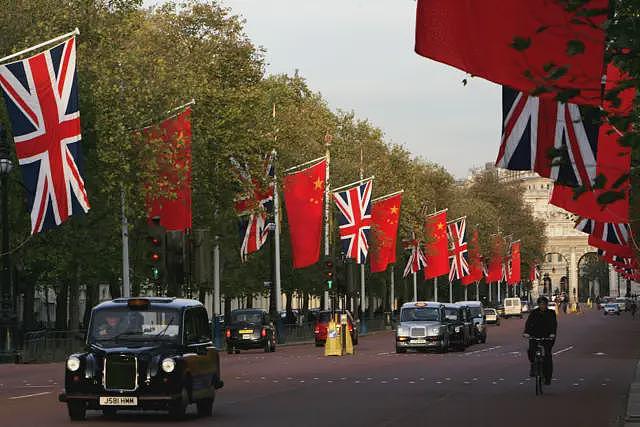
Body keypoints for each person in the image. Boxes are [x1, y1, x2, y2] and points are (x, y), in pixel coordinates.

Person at [524, 296, 557, 385]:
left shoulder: (551, 313)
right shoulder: (534, 313)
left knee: (547, 356)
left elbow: (553, 324)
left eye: (544, 304)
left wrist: (552, 334)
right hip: (535, 336)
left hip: (547, 337)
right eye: (541, 304)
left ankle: (548, 377)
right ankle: (533, 364)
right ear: (538, 305)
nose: (542, 306)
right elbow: (528, 323)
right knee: (531, 350)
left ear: (546, 305)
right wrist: (526, 332)